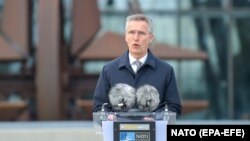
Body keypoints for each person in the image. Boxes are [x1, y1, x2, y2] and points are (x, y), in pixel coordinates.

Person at [92, 14, 182, 117]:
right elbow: (98, 107)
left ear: (151, 37)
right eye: (131, 32)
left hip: (154, 132)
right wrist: (109, 117)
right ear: (125, 36)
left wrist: (155, 119)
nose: (136, 38)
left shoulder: (166, 71)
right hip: (118, 132)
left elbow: (174, 107)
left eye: (141, 33)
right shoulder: (108, 70)